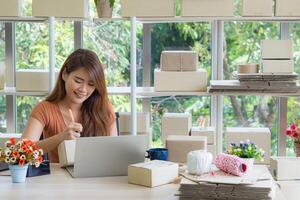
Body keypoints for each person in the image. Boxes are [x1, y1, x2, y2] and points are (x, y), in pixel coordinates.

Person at [22, 49, 117, 163]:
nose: (83, 89)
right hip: (59, 179)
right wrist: (61, 138)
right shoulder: (44, 109)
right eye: (78, 81)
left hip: (97, 178)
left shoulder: (105, 109)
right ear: (65, 74)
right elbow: (22, 152)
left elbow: (113, 152)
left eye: (91, 84)